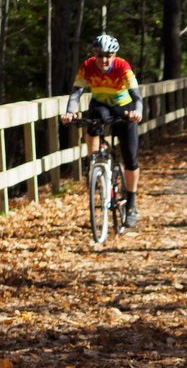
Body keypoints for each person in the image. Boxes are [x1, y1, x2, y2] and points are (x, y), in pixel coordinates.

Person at [61, 34, 143, 228]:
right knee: (94, 115)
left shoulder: (123, 67)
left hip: (124, 108)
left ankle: (131, 202)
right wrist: (69, 113)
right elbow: (76, 94)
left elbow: (137, 97)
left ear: (114, 55)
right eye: (99, 56)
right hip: (101, 106)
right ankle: (94, 165)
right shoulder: (88, 66)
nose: (103, 60)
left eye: (108, 55)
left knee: (130, 159)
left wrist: (137, 113)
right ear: (94, 55)